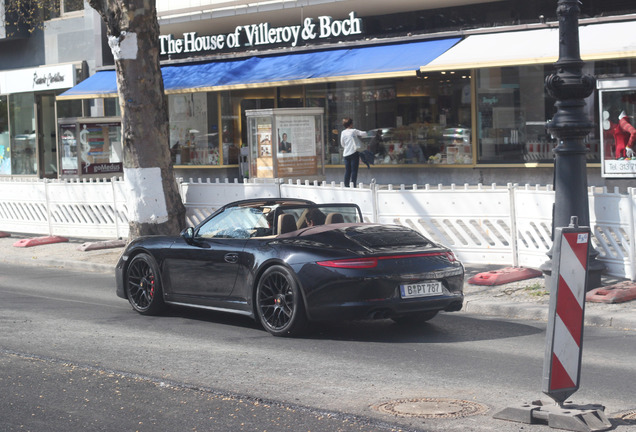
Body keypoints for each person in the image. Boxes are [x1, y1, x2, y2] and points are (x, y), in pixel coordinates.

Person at [340, 117, 366, 187]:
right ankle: (353, 185)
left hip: (346, 154)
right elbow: (364, 134)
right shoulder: (354, 131)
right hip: (354, 153)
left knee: (347, 171)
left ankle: (346, 185)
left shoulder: (343, 132)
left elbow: (342, 143)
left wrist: (347, 147)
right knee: (354, 171)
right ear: (351, 124)